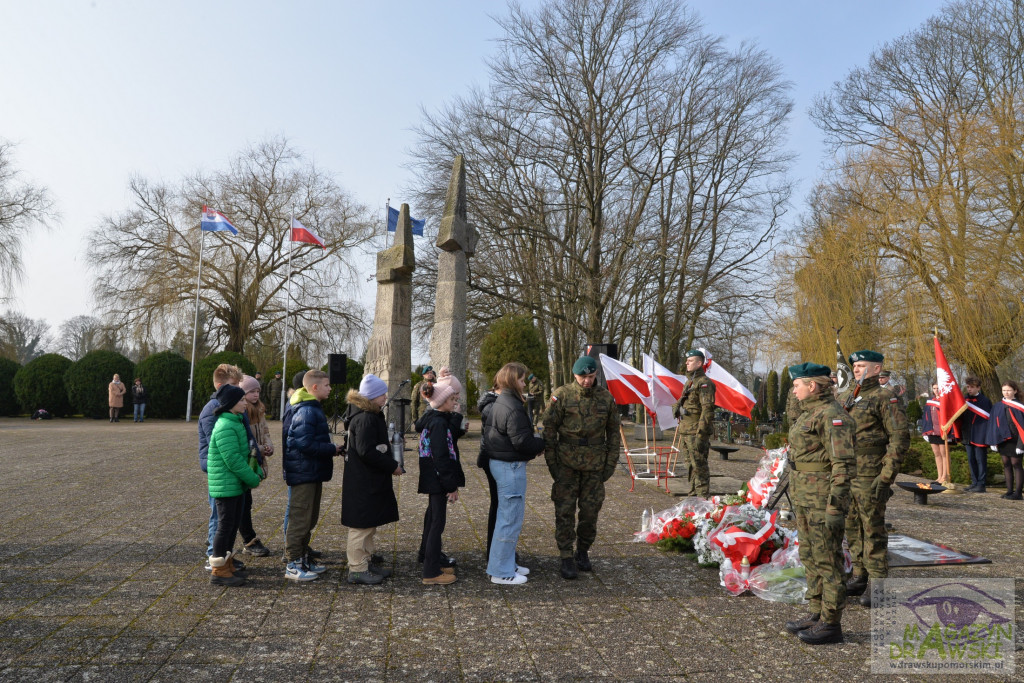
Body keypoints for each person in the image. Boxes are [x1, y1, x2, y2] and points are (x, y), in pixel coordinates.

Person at [782, 363, 855, 645]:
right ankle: (817, 611)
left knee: (828, 560)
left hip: (823, 500)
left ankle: (831, 622)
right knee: (810, 556)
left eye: (797, 384)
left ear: (812, 386)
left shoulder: (833, 416)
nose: (793, 389)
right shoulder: (810, 413)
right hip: (804, 498)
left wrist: (836, 507)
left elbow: (843, 465)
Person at [542, 355, 620, 579]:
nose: (587, 381)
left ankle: (583, 551)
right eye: (582, 377)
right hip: (566, 465)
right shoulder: (562, 395)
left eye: (591, 376)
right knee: (564, 512)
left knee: (590, 513)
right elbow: (548, 430)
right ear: (574, 375)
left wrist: (610, 465)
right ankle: (566, 555)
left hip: (595, 466)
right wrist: (553, 464)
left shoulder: (606, 398)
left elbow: (614, 433)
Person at [842, 350, 908, 608]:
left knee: (873, 527)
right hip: (849, 472)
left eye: (861, 365)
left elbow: (899, 438)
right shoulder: (851, 396)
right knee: (852, 523)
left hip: (871, 473)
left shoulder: (885, 397)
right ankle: (860, 575)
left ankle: (879, 583)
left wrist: (886, 476)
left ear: (877, 368)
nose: (856, 370)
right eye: (855, 366)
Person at [485, 362, 545, 585]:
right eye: (521, 379)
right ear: (512, 381)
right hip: (510, 467)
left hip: (502, 464)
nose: (524, 383)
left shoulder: (502, 401)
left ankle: (506, 563)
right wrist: (541, 444)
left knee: (508, 518)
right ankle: (500, 572)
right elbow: (521, 441)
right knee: (509, 520)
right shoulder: (512, 406)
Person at [341, 374, 402, 585]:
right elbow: (367, 451)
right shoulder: (366, 418)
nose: (385, 397)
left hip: (367, 479)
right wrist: (392, 465)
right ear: (372, 396)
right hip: (363, 481)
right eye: (382, 394)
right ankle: (357, 568)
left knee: (369, 524)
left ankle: (365, 561)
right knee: (360, 526)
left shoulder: (368, 415)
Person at [282, 370, 339, 581]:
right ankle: (293, 564)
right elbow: (303, 443)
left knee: (309, 518)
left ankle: (303, 558)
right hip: (303, 472)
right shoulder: (306, 411)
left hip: (311, 471)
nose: (330, 388)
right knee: (300, 518)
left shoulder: (312, 408)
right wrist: (330, 449)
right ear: (314, 387)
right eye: (326, 385)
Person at [206, 384, 264, 586]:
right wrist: (252, 477)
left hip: (235, 484)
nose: (245, 402)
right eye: (241, 400)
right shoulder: (225, 425)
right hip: (226, 485)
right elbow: (232, 460)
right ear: (231, 404)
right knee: (224, 527)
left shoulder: (235, 421)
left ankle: (227, 563)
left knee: (231, 526)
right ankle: (218, 570)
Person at [415, 369, 466, 586]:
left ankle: (431, 559)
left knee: (433, 519)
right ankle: (431, 572)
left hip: (433, 478)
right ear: (442, 401)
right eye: (452, 399)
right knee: (437, 523)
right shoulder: (438, 424)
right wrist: (451, 485)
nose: (455, 403)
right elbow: (441, 456)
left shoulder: (436, 418)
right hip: (437, 479)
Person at [199, 364, 248, 574]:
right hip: (220, 471)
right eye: (234, 385)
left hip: (231, 470)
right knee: (219, 517)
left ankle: (225, 556)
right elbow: (217, 445)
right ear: (221, 387)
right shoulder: (213, 409)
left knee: (229, 517)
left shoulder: (231, 409)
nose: (239, 390)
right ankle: (214, 557)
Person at [672, 349, 717, 497]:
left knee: (699, 466)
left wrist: (701, 435)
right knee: (690, 466)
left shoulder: (704, 383)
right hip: (686, 431)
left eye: (690, 361)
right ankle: (693, 497)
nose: (686, 363)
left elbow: (707, 410)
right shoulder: (690, 382)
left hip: (696, 432)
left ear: (699, 363)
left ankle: (703, 499)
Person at [238, 375, 272, 557]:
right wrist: (257, 448)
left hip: (254, 459)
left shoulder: (260, 409)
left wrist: (268, 445)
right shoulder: (241, 413)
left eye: (258, 390)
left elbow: (265, 430)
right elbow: (243, 440)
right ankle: (248, 539)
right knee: (241, 503)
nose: (256, 394)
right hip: (244, 462)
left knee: (245, 501)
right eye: (251, 391)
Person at [986, 381, 1024, 500]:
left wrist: (1021, 445)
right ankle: (1009, 491)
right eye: (1004, 390)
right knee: (1006, 464)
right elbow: (993, 424)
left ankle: (1018, 493)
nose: (1006, 393)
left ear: (1015, 391)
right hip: (1003, 440)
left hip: (1017, 440)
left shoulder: (1020, 406)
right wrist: (993, 441)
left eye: (1008, 390)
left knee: (1016, 464)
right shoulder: (998, 406)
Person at [477, 384, 501, 559]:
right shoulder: (493, 406)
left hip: (494, 457)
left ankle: (496, 548)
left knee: (500, 504)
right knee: (499, 505)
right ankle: (495, 549)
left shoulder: (496, 403)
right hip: (494, 459)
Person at [921, 383, 957, 492]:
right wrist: (925, 431)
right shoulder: (930, 401)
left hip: (942, 431)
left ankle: (945, 476)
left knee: (944, 453)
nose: (936, 390)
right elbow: (926, 416)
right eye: (934, 388)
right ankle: (939, 476)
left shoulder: (946, 401)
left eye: (938, 388)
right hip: (932, 431)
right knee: (936, 453)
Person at [958, 377, 992, 492]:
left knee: (980, 459)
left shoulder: (985, 401)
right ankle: (974, 482)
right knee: (971, 459)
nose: (969, 389)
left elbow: (987, 419)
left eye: (972, 387)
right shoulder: (964, 399)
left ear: (978, 388)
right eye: (968, 387)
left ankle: (981, 484)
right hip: (967, 433)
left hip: (979, 434)